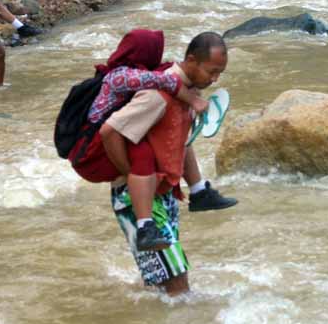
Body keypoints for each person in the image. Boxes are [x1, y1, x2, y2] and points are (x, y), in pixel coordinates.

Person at [76, 32, 235, 295]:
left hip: (162, 193)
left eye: (220, 73)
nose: (215, 79)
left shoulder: (185, 90)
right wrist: (130, 174)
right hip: (139, 199)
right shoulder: (158, 94)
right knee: (177, 283)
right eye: (212, 71)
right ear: (192, 60)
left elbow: (180, 142)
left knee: (164, 281)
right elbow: (110, 131)